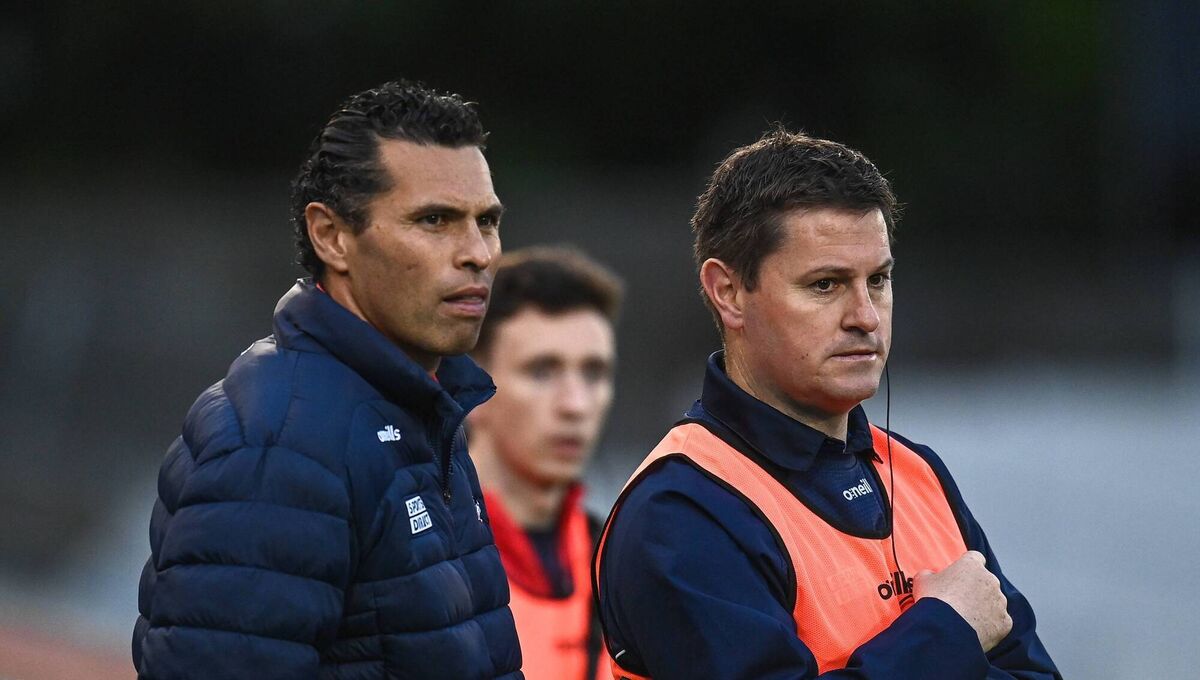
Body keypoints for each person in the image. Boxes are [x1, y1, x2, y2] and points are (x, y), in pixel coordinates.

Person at [593, 128, 1061, 679]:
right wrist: (948, 632)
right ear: (727, 292)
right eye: (825, 285)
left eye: (879, 280)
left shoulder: (919, 473)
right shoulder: (679, 512)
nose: (865, 315)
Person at [133, 81, 523, 679]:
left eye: (486, 222)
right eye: (436, 220)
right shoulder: (278, 443)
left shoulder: (421, 409)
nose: (477, 253)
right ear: (332, 236)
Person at [467, 247, 622, 680]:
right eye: (542, 371)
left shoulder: (622, 564)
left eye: (593, 373)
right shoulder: (405, 557)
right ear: (470, 385)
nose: (575, 404)